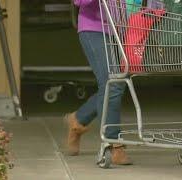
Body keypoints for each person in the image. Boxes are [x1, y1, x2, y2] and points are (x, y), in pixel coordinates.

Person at [66, 0, 132, 165]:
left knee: (117, 83)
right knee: (112, 82)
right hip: (93, 29)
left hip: (122, 29)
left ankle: (79, 119)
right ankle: (113, 142)